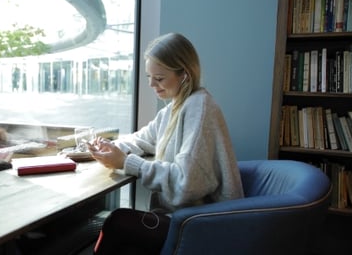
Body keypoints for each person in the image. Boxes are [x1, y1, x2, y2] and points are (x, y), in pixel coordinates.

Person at [88, 33, 244, 255]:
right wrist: (111, 147)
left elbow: (187, 183)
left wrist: (126, 162)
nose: (151, 84)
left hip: (199, 223)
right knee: (121, 225)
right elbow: (143, 139)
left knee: (118, 223)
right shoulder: (173, 110)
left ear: (184, 75)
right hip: (183, 217)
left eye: (159, 78)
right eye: (149, 76)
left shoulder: (199, 109)